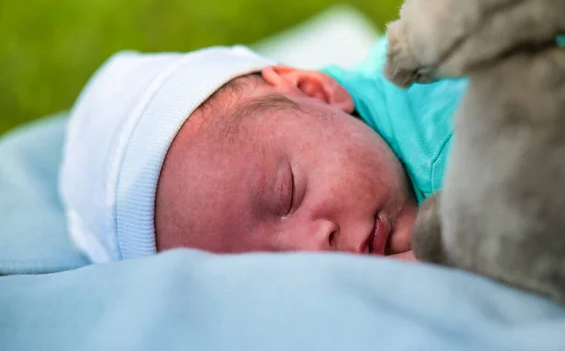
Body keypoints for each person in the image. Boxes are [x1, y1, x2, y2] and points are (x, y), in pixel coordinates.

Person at [59, 37, 467, 263]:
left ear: (317, 91)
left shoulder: (450, 140)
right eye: (276, 269)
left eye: (288, 193)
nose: (313, 248)